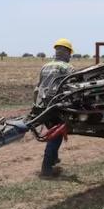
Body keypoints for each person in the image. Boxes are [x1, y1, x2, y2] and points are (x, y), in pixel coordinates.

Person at [35, 38, 76, 177]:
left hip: (42, 106)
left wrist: (36, 106)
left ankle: (54, 159)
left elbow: (37, 88)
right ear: (66, 53)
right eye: (70, 53)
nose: (70, 56)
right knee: (56, 135)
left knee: (53, 132)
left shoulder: (45, 66)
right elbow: (73, 89)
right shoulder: (68, 68)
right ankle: (46, 169)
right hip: (56, 106)